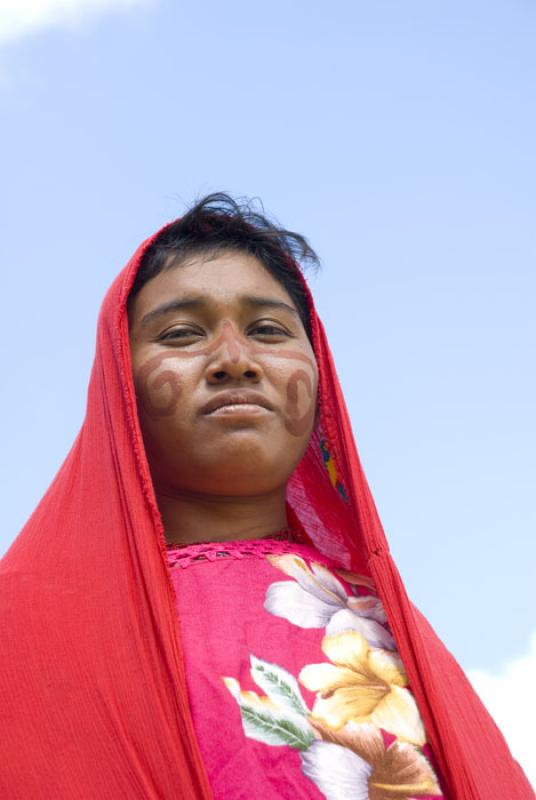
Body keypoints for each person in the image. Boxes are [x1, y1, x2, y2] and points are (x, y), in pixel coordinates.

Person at [0, 194, 532, 799]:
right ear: (119, 383)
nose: (234, 360)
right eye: (180, 333)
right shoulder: (22, 641)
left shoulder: (388, 633)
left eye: (268, 331)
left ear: (318, 371)